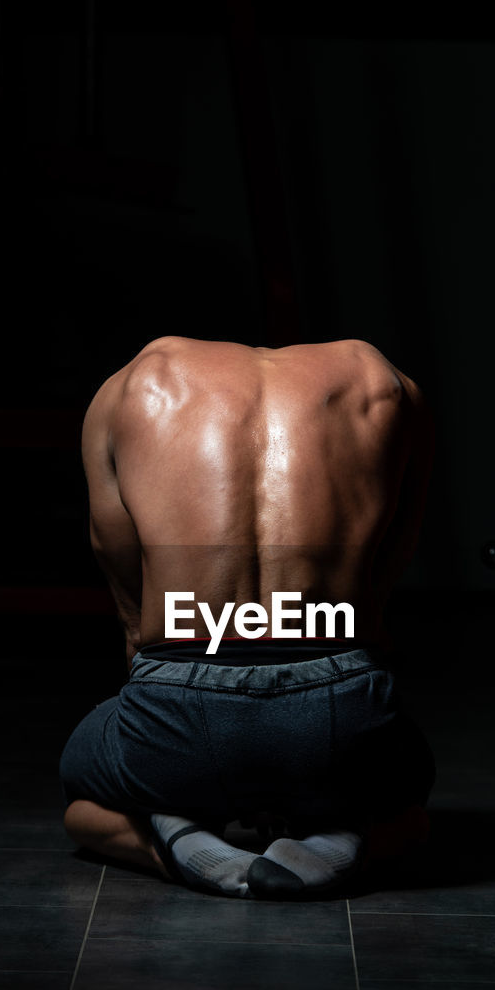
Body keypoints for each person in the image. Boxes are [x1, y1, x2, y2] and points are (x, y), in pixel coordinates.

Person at [59, 336, 436, 898]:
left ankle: (174, 839)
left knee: (80, 801)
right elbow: (391, 558)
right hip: (337, 716)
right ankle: (342, 837)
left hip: (176, 715)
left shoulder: (132, 385)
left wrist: (163, 687)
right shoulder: (385, 383)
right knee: (411, 795)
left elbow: (117, 563)